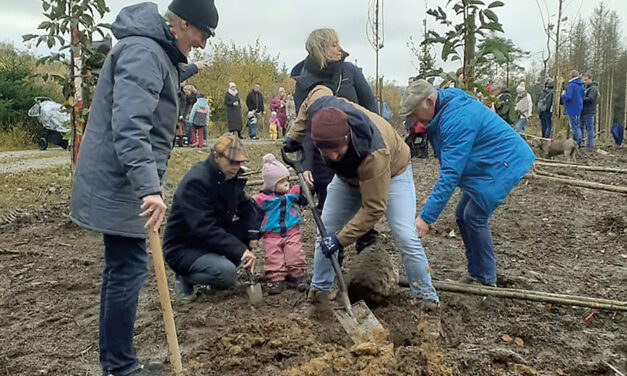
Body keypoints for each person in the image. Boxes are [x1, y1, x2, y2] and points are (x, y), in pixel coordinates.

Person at [68, 1, 218, 375]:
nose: (201, 43)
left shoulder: (152, 49)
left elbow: (159, 84)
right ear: (182, 24)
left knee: (121, 268)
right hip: (122, 182)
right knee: (129, 268)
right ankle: (120, 368)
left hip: (124, 181)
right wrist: (150, 189)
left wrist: (190, 69)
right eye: (202, 34)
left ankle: (117, 363)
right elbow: (132, 126)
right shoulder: (144, 51)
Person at [283, 85, 440, 323]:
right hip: (348, 179)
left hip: (393, 172)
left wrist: (339, 240)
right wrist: (294, 136)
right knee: (323, 231)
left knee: (405, 236)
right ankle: (319, 296)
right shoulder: (321, 108)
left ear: (347, 137)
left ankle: (427, 303)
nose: (332, 157)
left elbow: (374, 208)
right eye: (326, 152)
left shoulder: (374, 154)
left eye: (337, 150)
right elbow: (316, 92)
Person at [399, 80, 535, 287]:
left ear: (428, 101)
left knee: (474, 215)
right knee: (462, 215)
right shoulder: (444, 106)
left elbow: (450, 174)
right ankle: (475, 272)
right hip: (488, 162)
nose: (414, 119)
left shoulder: (457, 119)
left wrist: (425, 218)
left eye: (415, 113)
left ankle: (487, 280)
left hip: (504, 163)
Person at [290, 28, 379, 252]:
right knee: (327, 204)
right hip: (322, 150)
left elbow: (371, 108)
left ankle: (366, 253)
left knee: (362, 197)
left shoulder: (350, 72)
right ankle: (330, 256)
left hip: (356, 145)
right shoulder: (303, 81)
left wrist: (376, 143)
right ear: (320, 49)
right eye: (334, 44)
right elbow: (304, 124)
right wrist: (306, 164)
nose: (340, 48)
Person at [163, 134, 262, 303]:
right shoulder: (196, 182)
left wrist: (252, 235)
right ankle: (184, 277)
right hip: (184, 246)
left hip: (210, 238)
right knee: (227, 273)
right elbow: (204, 228)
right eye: (231, 162)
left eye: (239, 163)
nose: (236, 167)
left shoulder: (230, 179)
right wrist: (240, 250)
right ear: (216, 156)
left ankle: (213, 272)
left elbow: (250, 209)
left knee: (247, 226)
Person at [252, 154, 308, 295]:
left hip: (291, 230)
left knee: (295, 252)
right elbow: (252, 210)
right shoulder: (263, 200)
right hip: (272, 233)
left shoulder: (291, 194)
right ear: (271, 184)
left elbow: (303, 196)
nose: (287, 185)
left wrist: (306, 191)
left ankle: (297, 276)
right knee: (273, 256)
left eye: (287, 181)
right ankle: (276, 278)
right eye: (282, 182)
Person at [561, 70, 585, 147]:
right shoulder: (581, 85)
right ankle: (579, 142)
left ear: (571, 76)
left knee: (573, 127)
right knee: (577, 126)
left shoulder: (571, 85)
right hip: (579, 108)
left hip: (572, 108)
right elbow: (583, 96)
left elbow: (568, 96)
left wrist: (562, 95)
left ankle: (576, 143)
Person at [581, 74, 599, 151]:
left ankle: (589, 145)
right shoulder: (587, 88)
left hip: (589, 111)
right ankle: (582, 143)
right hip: (584, 111)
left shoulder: (593, 88)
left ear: (590, 79)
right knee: (582, 127)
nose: (584, 82)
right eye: (583, 80)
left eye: (585, 80)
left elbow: (590, 99)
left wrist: (581, 99)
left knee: (589, 128)